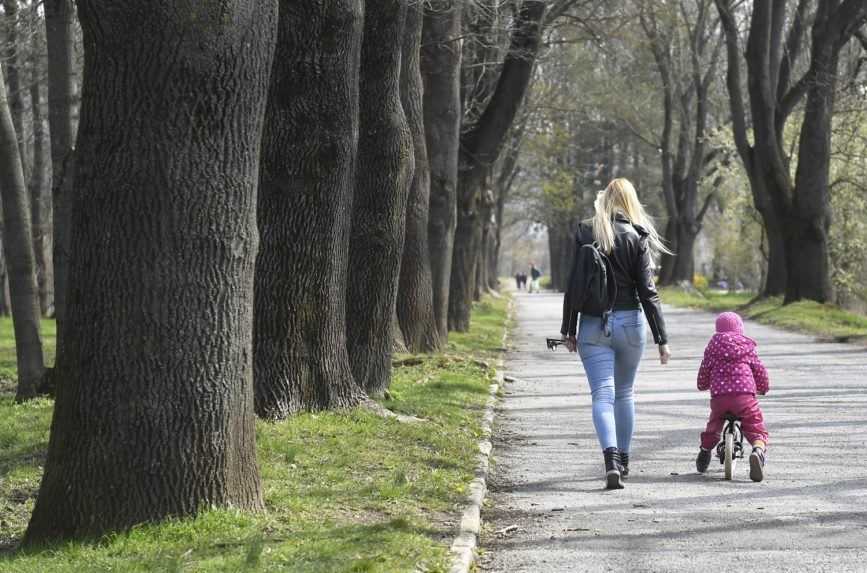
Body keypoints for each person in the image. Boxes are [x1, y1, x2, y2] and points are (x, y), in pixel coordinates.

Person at [562, 178, 671, 490]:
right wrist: (662, 339)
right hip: (630, 326)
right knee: (624, 394)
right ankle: (623, 460)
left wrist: (568, 328)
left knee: (602, 395)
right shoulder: (637, 236)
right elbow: (648, 293)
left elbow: (574, 285)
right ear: (630, 202)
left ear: (604, 200)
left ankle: (609, 460)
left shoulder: (585, 231)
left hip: (593, 325)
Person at [695, 311, 769, 482]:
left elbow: (704, 370)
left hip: (720, 397)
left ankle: (705, 452)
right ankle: (758, 451)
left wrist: (702, 385)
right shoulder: (747, 347)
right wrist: (763, 387)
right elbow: (759, 370)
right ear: (740, 330)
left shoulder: (712, 348)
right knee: (755, 426)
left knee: (714, 425)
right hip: (744, 397)